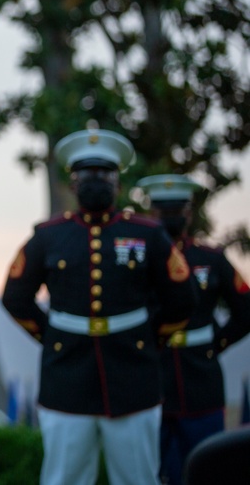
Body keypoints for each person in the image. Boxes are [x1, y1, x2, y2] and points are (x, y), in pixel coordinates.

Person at [2, 128, 197, 485]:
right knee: (64, 478)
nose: (96, 182)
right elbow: (14, 296)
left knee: (137, 478)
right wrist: (52, 335)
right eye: (87, 175)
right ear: (74, 184)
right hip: (66, 380)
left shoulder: (147, 234)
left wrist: (152, 337)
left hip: (134, 377)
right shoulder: (48, 236)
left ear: (118, 183)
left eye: (104, 175)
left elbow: (182, 296)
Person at [135, 174, 250, 484]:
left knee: (207, 469)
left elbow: (246, 309)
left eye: (177, 211)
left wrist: (216, 345)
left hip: (200, 381)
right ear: (151, 214)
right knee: (150, 472)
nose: (171, 218)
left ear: (188, 214)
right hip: (151, 381)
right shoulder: (139, 259)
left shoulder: (210, 258)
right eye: (163, 212)